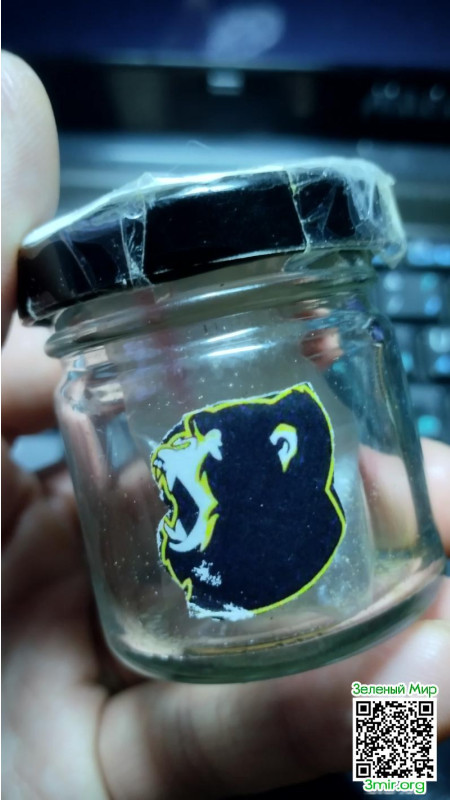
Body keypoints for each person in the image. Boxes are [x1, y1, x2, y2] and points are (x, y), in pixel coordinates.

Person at [2, 51, 450, 799]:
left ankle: (396, 782)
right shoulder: (103, 408)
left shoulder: (313, 497)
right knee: (406, 670)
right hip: (150, 725)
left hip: (368, 640)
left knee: (410, 704)